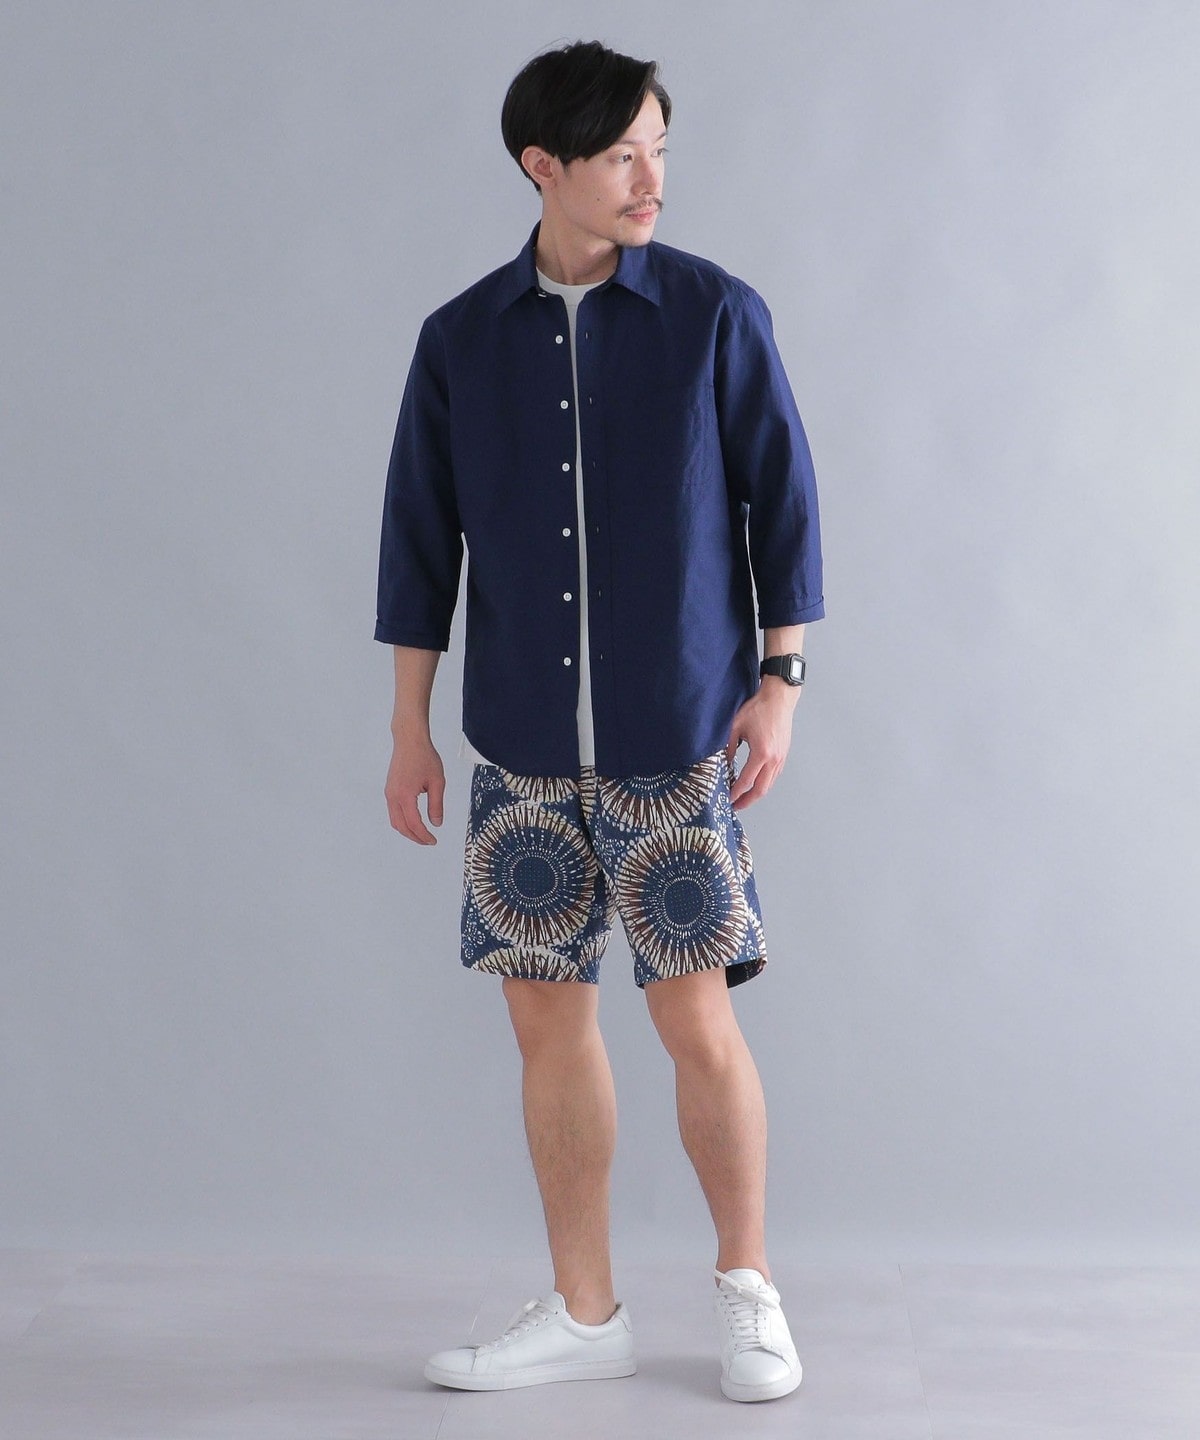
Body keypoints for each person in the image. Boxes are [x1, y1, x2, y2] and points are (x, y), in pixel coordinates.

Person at [376, 38, 823, 1404]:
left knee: (695, 1019)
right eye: (624, 153)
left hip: (673, 737)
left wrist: (781, 683)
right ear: (543, 165)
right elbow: (418, 545)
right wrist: (409, 728)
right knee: (546, 1027)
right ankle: (585, 1312)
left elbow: (784, 501)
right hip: (520, 745)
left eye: (659, 149)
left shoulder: (713, 314)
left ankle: (749, 1292)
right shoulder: (461, 340)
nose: (651, 178)